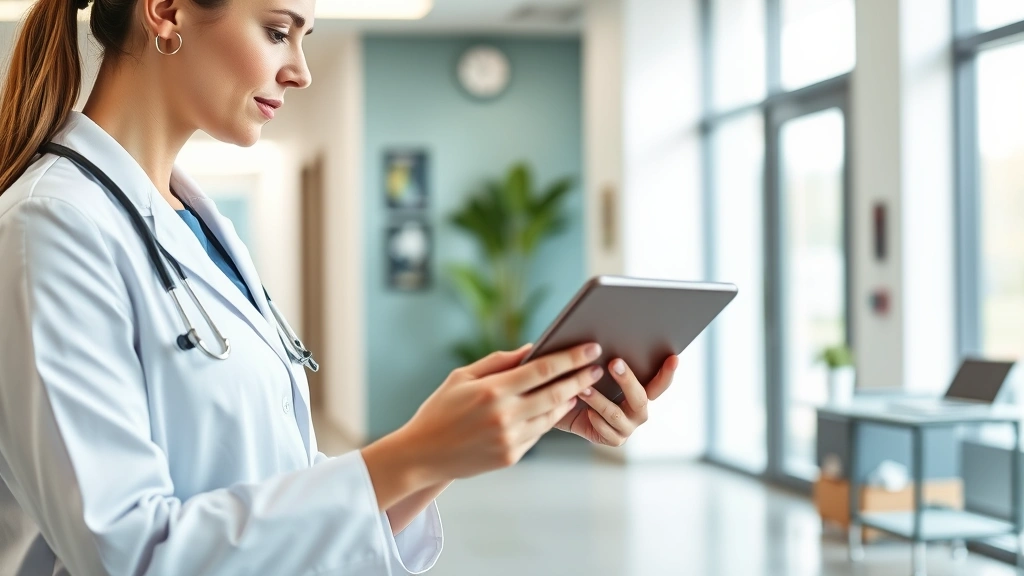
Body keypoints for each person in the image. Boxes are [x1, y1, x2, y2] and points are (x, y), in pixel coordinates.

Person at [0, 0, 681, 573]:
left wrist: (452, 444)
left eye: (304, 38)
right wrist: (413, 453)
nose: (298, 70)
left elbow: (275, 491)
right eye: (277, 30)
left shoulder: (191, 222)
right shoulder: (52, 226)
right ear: (167, 11)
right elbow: (126, 553)